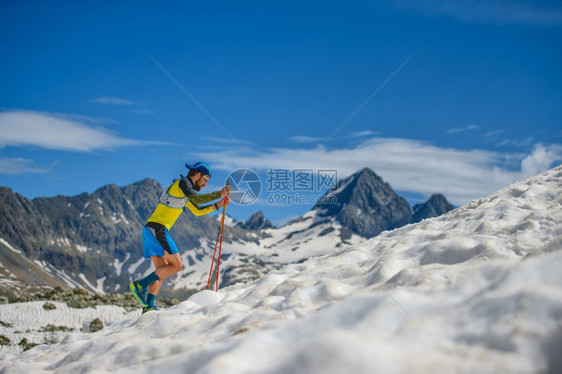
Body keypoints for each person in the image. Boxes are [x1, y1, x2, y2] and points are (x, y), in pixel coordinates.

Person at [129, 162, 230, 313]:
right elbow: (197, 200)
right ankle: (140, 285)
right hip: (158, 229)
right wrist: (219, 193)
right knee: (176, 265)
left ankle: (148, 306)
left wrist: (218, 205)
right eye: (206, 179)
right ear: (197, 174)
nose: (206, 183)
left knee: (162, 271)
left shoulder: (185, 192)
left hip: (150, 230)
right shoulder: (183, 183)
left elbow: (197, 211)